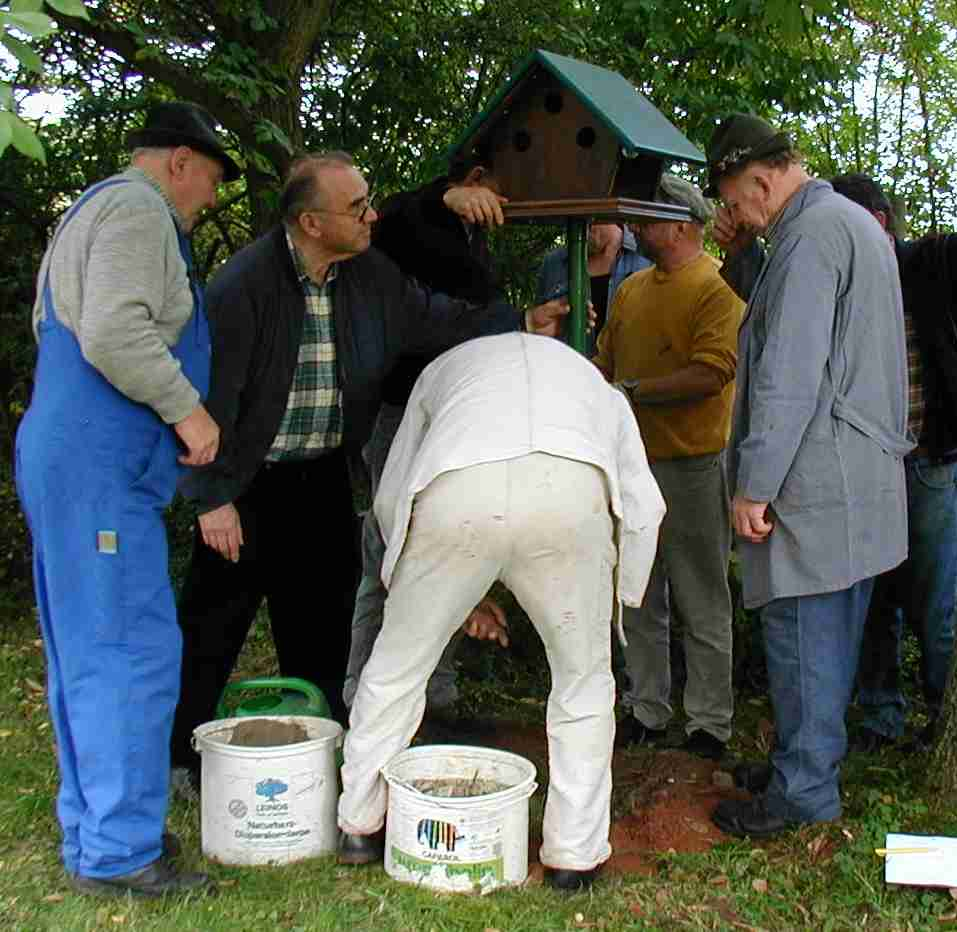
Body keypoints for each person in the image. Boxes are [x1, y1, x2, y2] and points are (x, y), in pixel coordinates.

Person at [170, 151, 571, 787]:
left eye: (368, 199)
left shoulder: (369, 276)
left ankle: (319, 752)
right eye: (355, 207)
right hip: (246, 484)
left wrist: (520, 322)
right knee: (213, 624)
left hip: (324, 474)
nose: (370, 214)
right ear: (309, 222)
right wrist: (211, 498)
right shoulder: (242, 288)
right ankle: (180, 756)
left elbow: (436, 318)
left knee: (321, 625)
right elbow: (205, 395)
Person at [335, 332, 665, 892]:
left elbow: (395, 493)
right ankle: (573, 857)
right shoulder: (596, 386)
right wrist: (622, 592)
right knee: (583, 683)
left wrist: (414, 579)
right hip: (569, 491)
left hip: (457, 487)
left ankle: (360, 826)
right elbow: (643, 501)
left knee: (395, 669)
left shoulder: (443, 367)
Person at [14, 101, 238, 896]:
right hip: (96, 461)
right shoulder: (138, 209)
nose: (209, 198)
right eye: (209, 180)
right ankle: (120, 854)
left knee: (94, 648)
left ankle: (101, 833)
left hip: (77, 457)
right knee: (127, 651)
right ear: (179, 161)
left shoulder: (100, 208)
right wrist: (189, 409)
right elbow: (113, 330)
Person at [701, 114, 911, 837]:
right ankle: (804, 761)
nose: (732, 216)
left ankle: (803, 794)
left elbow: (788, 374)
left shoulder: (810, 236)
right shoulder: (842, 223)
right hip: (854, 473)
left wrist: (752, 484)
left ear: (760, 180)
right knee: (827, 637)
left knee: (802, 637)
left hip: (814, 479)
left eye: (731, 200)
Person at [342, 153, 508, 718]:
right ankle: (362, 696)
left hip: (454, 417)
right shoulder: (410, 222)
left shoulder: (471, 232)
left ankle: (435, 696)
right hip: (399, 415)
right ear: (477, 180)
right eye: (499, 190)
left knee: (450, 547)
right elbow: (385, 226)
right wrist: (441, 195)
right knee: (390, 551)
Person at [592, 175, 742, 759]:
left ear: (680, 226)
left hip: (694, 464)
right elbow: (603, 361)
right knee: (639, 594)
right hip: (631, 467)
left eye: (647, 219)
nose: (634, 228)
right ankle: (647, 709)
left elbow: (713, 371)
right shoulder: (630, 289)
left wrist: (632, 392)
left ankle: (709, 724)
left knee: (703, 596)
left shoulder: (716, 288)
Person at [829, 174, 957, 753]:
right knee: (876, 601)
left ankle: (945, 718)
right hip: (868, 470)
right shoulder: (842, 285)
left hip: (930, 463)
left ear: (879, 222)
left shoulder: (926, 264)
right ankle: (881, 717)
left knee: (937, 601)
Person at [535, 220, 652, 354]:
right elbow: (540, 333)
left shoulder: (646, 256)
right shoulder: (554, 263)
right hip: (569, 370)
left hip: (626, 372)